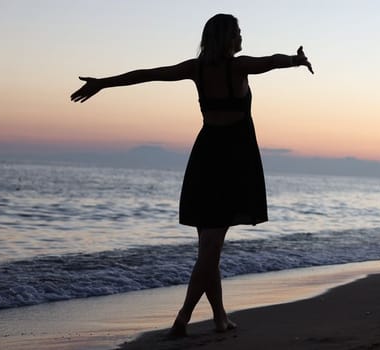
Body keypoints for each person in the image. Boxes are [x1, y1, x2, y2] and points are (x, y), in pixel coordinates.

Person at [70, 13, 313, 337]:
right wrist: (296, 61)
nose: (241, 37)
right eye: (237, 32)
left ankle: (219, 318)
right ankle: (182, 318)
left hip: (206, 156)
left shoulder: (196, 68)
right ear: (227, 37)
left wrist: (103, 83)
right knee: (211, 248)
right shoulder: (237, 67)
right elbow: (271, 61)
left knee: (209, 248)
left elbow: (147, 75)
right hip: (233, 162)